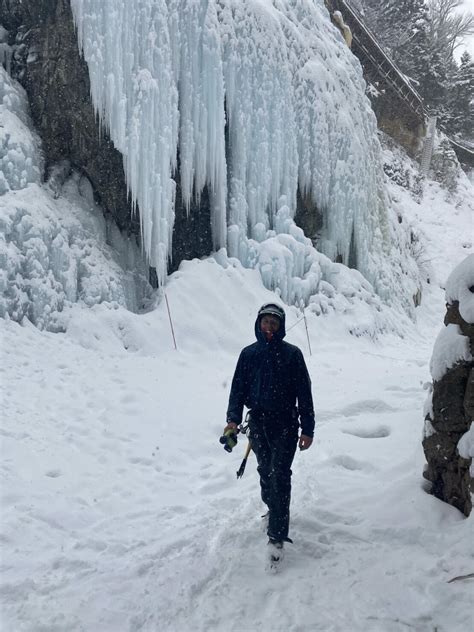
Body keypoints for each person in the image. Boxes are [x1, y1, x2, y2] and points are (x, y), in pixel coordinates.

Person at [224, 303, 315, 561]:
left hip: (286, 424)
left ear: (281, 326)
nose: (269, 327)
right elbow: (237, 392)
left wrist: (307, 429)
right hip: (258, 425)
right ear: (258, 324)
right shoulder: (248, 355)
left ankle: (276, 537)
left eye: (274, 323)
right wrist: (232, 420)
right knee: (265, 473)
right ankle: (273, 508)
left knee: (280, 476)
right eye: (265, 322)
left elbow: (304, 395)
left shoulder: (292, 355)